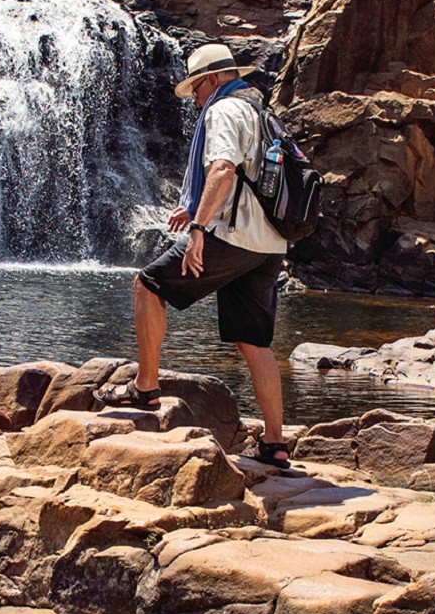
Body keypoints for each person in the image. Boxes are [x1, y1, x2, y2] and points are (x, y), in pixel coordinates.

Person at [93, 43, 292, 468]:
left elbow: (223, 168)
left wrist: (200, 227)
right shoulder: (261, 111)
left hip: (232, 236)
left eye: (196, 90)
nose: (195, 101)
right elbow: (251, 175)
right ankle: (275, 444)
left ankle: (145, 388)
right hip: (270, 243)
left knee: (147, 284)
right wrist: (199, 205)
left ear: (212, 80)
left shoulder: (223, 110)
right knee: (254, 341)